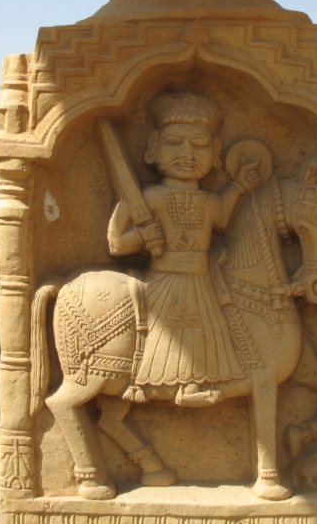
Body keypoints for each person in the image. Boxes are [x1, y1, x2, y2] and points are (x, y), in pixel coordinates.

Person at [107, 91, 262, 406]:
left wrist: (241, 185)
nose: (186, 153)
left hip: (200, 279)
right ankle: (151, 382)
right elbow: (114, 243)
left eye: (199, 145)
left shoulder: (209, 201)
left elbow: (221, 218)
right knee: (167, 328)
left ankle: (195, 384)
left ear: (215, 152)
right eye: (174, 143)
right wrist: (141, 236)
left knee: (210, 328)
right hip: (167, 279)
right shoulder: (150, 198)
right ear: (154, 148)